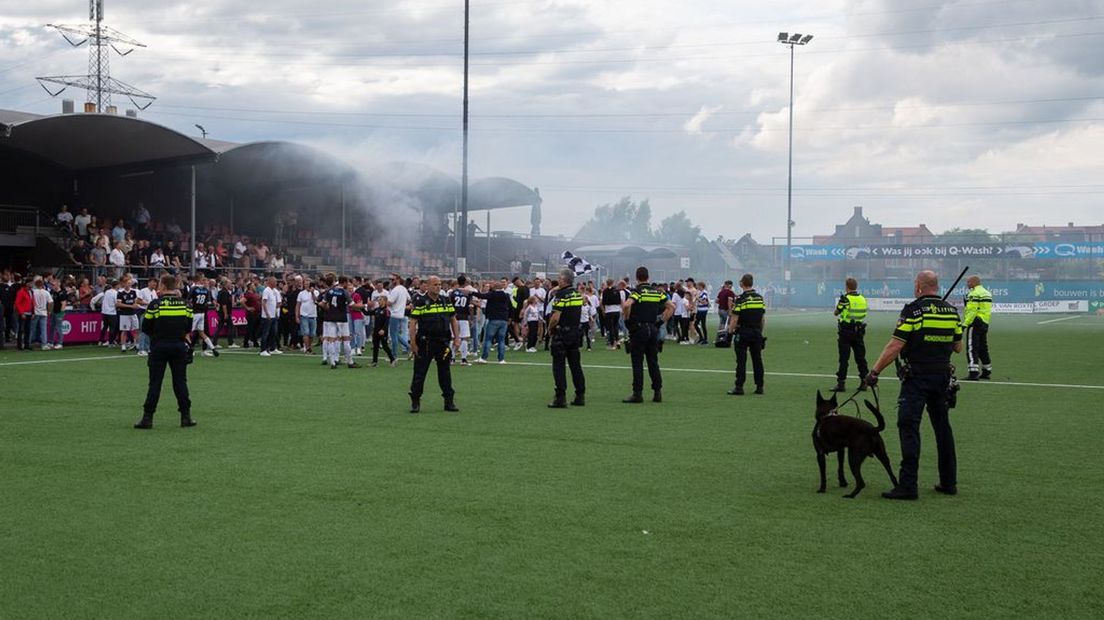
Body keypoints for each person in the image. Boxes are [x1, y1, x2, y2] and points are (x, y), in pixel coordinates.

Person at [864, 270, 962, 500]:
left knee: (909, 427)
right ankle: (949, 482)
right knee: (942, 429)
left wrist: (874, 371)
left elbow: (895, 345)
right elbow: (957, 347)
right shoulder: (951, 311)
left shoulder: (913, 310)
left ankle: (908, 485)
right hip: (942, 377)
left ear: (919, 286)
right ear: (936, 286)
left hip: (917, 378)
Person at [134, 275, 196, 429]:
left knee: (155, 383)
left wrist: (157, 336)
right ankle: (185, 416)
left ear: (162, 286)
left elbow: (146, 327)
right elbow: (188, 327)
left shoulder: (155, 305)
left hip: (159, 346)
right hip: (179, 346)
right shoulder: (185, 304)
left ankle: (147, 418)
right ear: (175, 286)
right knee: (180, 382)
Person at [408, 275, 461, 413]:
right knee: (420, 373)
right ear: (428, 286)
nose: (438, 287)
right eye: (435, 284)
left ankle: (448, 401)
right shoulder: (420, 301)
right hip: (425, 343)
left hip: (443, 343)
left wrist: (457, 338)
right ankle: (415, 400)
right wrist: (413, 343)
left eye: (440, 284)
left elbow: (453, 319)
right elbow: (413, 323)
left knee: (445, 373)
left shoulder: (445, 300)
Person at [621, 266, 674, 404]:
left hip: (639, 330)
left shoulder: (637, 292)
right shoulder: (657, 292)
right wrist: (661, 320)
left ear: (637, 278)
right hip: (653, 329)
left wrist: (627, 319)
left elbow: (627, 305)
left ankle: (637, 394)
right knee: (653, 362)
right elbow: (671, 307)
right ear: (648, 277)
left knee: (637, 362)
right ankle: (657, 392)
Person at [546, 268, 586, 408]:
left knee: (559, 366)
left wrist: (549, 328)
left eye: (559, 278)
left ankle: (560, 397)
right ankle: (580, 395)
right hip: (575, 333)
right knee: (576, 366)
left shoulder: (561, 295)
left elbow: (556, 317)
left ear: (563, 280)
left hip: (562, 333)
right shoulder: (577, 294)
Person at [725, 273, 767, 396]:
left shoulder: (740, 299)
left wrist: (729, 333)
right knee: (757, 360)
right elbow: (763, 319)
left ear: (742, 283)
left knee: (741, 361)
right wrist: (760, 332)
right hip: (756, 332)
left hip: (743, 332)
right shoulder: (760, 298)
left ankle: (739, 387)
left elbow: (734, 319)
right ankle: (760, 386)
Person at [832, 277, 869, 393]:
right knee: (860, 358)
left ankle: (841, 383)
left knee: (844, 358)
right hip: (858, 331)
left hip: (846, 331)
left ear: (847, 287)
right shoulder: (863, 299)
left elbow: (836, 313)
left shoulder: (845, 299)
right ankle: (864, 381)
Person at [318, 274, 359, 369]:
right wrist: (363, 306)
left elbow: (322, 304)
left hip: (331, 318)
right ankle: (350, 362)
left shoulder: (329, 291)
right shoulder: (344, 292)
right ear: (344, 282)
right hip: (342, 318)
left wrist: (325, 306)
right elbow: (352, 305)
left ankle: (332, 362)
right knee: (346, 339)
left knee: (331, 340)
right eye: (347, 283)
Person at [475, 279, 514, 364]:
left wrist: (471, 293)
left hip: (494, 319)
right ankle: (501, 359)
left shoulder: (492, 294)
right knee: (501, 340)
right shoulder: (506, 295)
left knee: (488, 339)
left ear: (495, 287)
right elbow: (511, 307)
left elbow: (482, 296)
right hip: (504, 320)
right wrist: (510, 318)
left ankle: (484, 358)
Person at [962, 275, 993, 381]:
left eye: (968, 282)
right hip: (985, 322)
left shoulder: (974, 294)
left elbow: (972, 311)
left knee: (972, 348)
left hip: (975, 323)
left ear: (974, 282)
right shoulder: (987, 293)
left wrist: (964, 324)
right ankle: (987, 370)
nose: (967, 284)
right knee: (983, 347)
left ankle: (973, 372)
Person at [187, 276, 219, 357]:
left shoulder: (194, 288)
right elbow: (208, 303)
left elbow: (188, 299)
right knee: (201, 332)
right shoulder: (206, 290)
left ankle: (190, 349)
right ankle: (212, 348)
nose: (207, 283)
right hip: (202, 313)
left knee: (188, 332)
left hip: (195, 313)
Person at [448, 274, 476, 365]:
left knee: (453, 338)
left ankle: (451, 358)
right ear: (465, 282)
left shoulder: (452, 292)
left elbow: (449, 306)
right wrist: (471, 318)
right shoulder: (467, 293)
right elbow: (471, 307)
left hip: (454, 317)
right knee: (465, 338)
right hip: (464, 317)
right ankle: (463, 359)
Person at [115, 275, 141, 353]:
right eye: (127, 283)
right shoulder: (120, 293)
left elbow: (135, 301)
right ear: (124, 283)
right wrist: (131, 306)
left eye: (130, 283)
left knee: (136, 329)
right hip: (124, 314)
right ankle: (123, 346)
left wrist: (136, 305)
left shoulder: (133, 292)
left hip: (133, 314)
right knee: (124, 330)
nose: (129, 284)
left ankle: (137, 345)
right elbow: (118, 304)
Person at [387, 273, 411, 356]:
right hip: (401, 314)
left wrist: (382, 302)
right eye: (391, 280)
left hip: (394, 314)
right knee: (396, 334)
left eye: (393, 280)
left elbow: (389, 302)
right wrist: (401, 305)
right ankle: (408, 347)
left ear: (398, 280)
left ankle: (394, 355)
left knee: (393, 335)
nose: (391, 281)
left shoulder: (395, 290)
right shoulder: (404, 289)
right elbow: (408, 299)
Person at [259, 277, 282, 356]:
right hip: (267, 316)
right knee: (265, 333)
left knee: (273, 333)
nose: (276, 283)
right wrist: (267, 313)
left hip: (273, 315)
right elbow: (264, 302)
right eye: (275, 282)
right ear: (270, 282)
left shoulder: (275, 291)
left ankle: (271, 348)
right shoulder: (266, 291)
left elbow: (278, 303)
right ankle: (263, 350)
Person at [295, 279, 318, 355]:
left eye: (308, 284)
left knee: (312, 334)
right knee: (306, 332)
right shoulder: (301, 293)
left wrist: (312, 293)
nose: (307, 285)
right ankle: (307, 348)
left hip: (313, 315)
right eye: (306, 284)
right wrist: (297, 316)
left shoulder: (316, 292)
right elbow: (298, 305)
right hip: (304, 315)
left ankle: (309, 347)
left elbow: (316, 301)